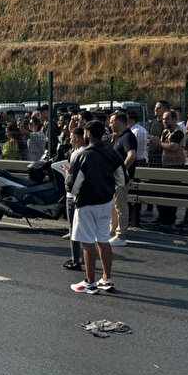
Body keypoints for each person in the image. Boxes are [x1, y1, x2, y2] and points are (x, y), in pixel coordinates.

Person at [66, 120, 125, 294]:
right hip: (106, 202)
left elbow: (73, 186)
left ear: (88, 134)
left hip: (86, 203)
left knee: (87, 242)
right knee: (103, 240)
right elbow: (122, 178)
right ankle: (106, 278)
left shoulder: (82, 156)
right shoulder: (112, 152)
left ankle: (90, 282)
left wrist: (68, 175)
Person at [108, 111, 136, 246]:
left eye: (112, 122)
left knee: (120, 206)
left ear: (119, 122)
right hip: (116, 178)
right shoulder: (120, 137)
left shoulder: (128, 137)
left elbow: (132, 155)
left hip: (121, 179)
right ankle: (113, 232)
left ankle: (120, 235)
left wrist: (121, 172)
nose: (110, 124)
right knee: (113, 205)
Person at [61, 127, 87, 270]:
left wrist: (67, 172)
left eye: (71, 137)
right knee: (85, 229)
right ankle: (85, 257)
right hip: (85, 195)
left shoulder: (76, 153)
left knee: (73, 228)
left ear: (77, 137)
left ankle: (75, 259)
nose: (70, 140)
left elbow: (72, 177)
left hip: (72, 195)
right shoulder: (90, 151)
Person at [155, 110, 186, 225]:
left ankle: (170, 217)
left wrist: (159, 143)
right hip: (165, 165)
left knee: (172, 193)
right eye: (163, 119)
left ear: (174, 119)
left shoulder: (178, 132)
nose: (164, 121)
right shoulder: (165, 132)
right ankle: (162, 216)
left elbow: (173, 147)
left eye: (167, 119)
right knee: (161, 192)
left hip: (176, 166)